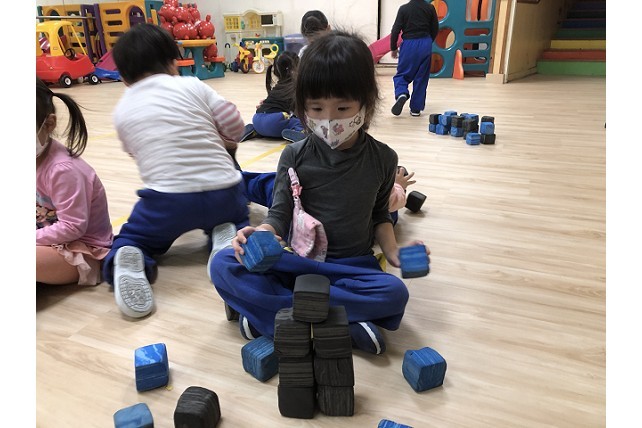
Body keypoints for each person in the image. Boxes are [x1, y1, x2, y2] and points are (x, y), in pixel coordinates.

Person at [208, 30, 430, 355]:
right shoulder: (293, 155)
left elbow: (380, 215)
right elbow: (279, 214)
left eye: (342, 108)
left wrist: (394, 252)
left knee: (394, 293)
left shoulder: (383, 158)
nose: (329, 120)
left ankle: (271, 317)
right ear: (301, 107)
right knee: (223, 263)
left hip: (353, 268)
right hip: (298, 262)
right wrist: (262, 232)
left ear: (366, 104)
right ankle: (340, 322)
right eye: (316, 108)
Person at [102, 23, 251, 319]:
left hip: (167, 201)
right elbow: (235, 125)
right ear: (173, 63)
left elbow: (135, 152)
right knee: (237, 215)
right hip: (223, 192)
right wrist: (224, 137)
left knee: (134, 237)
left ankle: (130, 253)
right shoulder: (193, 85)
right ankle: (226, 231)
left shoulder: (122, 110)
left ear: (124, 77)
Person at [36, 78, 113, 286]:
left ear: (48, 124)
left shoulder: (63, 170)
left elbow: (72, 227)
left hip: (82, 250)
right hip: (46, 237)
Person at [240, 51, 306, 143]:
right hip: (275, 121)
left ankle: (255, 130)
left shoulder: (278, 86)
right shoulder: (296, 85)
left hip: (257, 119)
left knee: (274, 122)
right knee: (300, 121)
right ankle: (299, 131)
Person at [390, 0, 439, 117]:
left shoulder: (404, 9)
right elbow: (435, 28)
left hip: (409, 44)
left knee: (402, 75)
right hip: (425, 43)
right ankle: (416, 109)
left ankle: (401, 93)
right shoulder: (430, 8)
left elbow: (395, 29)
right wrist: (428, 42)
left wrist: (393, 48)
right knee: (421, 77)